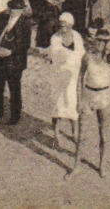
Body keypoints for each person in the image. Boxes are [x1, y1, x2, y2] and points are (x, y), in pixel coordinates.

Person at [45, 12, 85, 170]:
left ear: (71, 25)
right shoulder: (55, 39)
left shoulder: (76, 36)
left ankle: (74, 132)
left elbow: (80, 54)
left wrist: (76, 62)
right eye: (61, 24)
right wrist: (71, 58)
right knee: (58, 105)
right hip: (59, 75)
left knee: (73, 103)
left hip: (73, 75)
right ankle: (56, 133)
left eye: (66, 25)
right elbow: (57, 55)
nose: (63, 27)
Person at [75, 26, 110, 176]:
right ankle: (76, 166)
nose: (100, 44)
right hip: (88, 94)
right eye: (98, 40)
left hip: (104, 95)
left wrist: (109, 47)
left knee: (104, 134)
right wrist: (79, 99)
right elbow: (80, 77)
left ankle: (102, 165)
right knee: (82, 134)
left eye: (104, 42)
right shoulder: (87, 57)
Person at [0, 0, 33, 123]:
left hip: (14, 61)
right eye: (12, 8)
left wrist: (10, 52)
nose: (13, 11)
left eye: (17, 9)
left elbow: (25, 44)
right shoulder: (3, 19)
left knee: (14, 89)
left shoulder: (25, 24)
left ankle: (14, 116)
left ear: (22, 10)